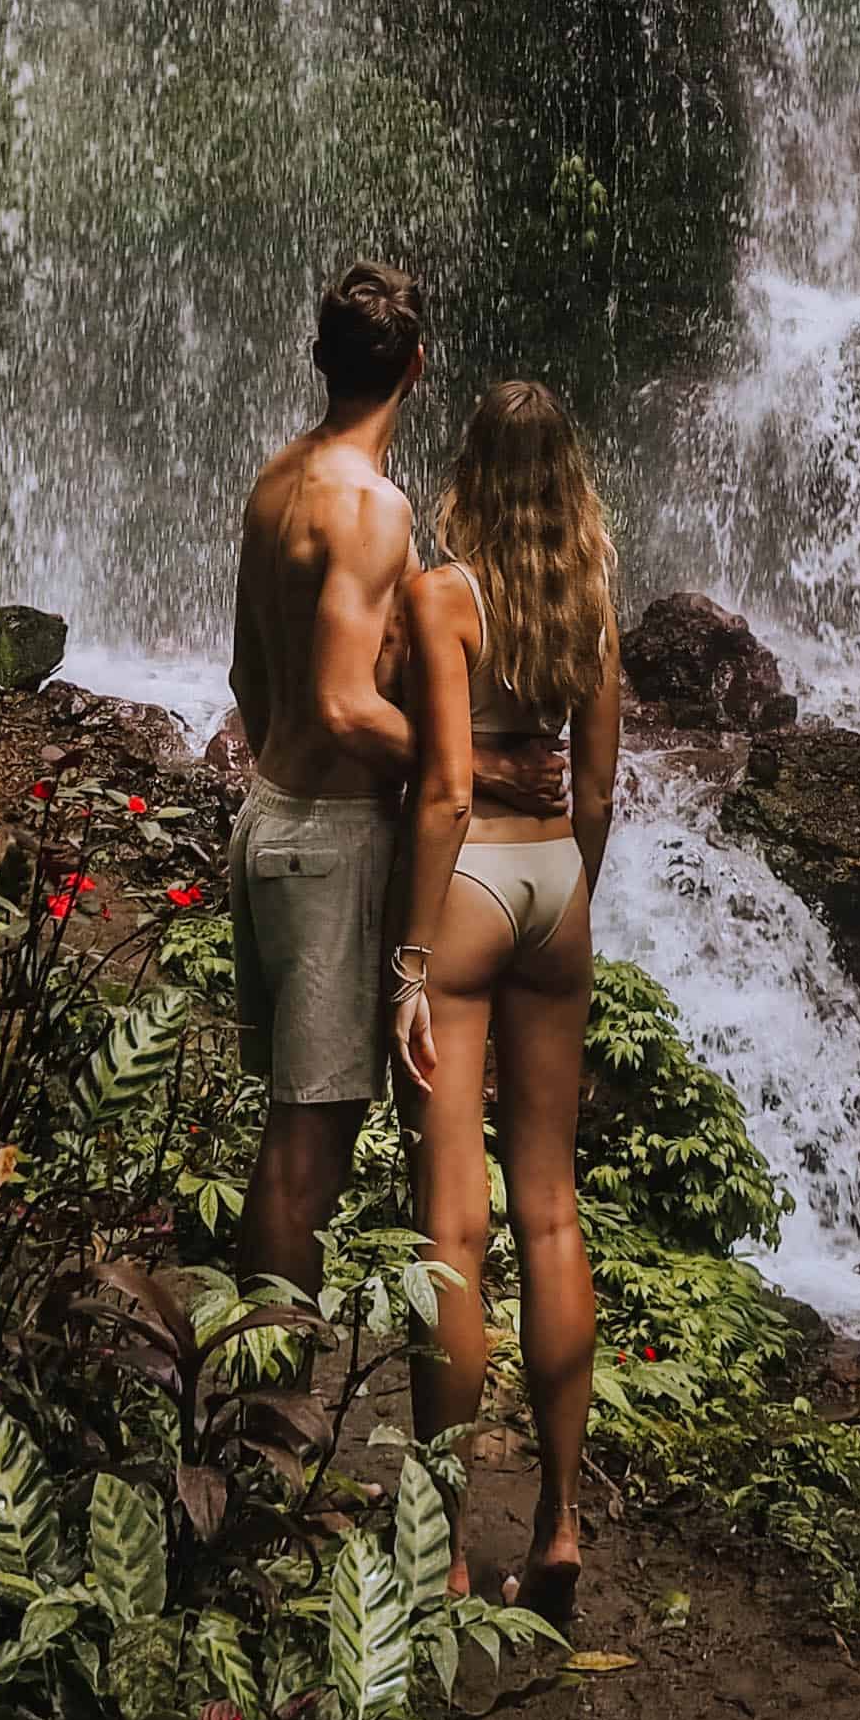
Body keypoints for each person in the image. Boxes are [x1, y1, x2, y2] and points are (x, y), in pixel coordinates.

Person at [226, 264, 563, 1327]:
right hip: (327, 844)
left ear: (318, 357)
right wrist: (475, 763)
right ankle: (263, 1428)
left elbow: (251, 681)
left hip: (269, 819)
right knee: (306, 1146)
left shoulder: (276, 479)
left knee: (293, 1133)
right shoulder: (372, 509)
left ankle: (248, 1399)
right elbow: (338, 705)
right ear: (416, 368)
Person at [390, 377, 623, 1628]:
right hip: (556, 887)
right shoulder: (589, 602)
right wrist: (570, 892)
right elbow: (597, 788)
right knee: (549, 1211)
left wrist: (412, 961)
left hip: (472, 877)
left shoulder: (443, 593)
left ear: (470, 472)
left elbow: (434, 788)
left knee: (452, 1227)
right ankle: (559, 1520)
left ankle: (444, 1546)